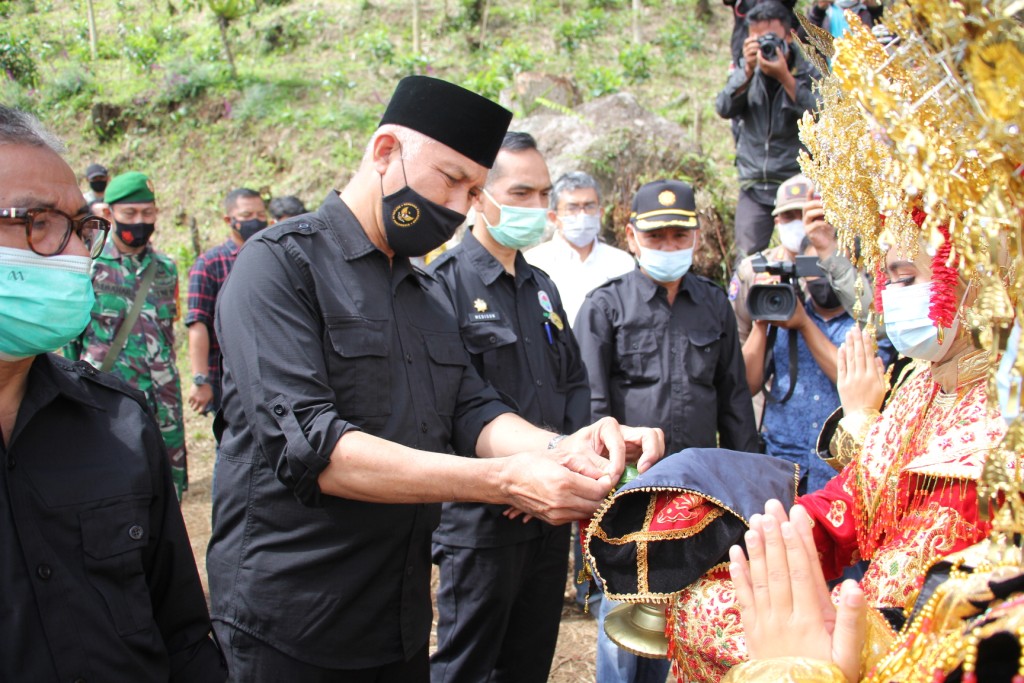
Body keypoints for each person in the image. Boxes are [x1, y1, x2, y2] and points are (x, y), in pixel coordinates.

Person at [206, 75, 665, 682]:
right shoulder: (279, 266)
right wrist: (503, 481)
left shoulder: (424, 292)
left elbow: (472, 410)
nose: (460, 206)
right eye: (451, 179)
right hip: (289, 616)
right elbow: (313, 448)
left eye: (475, 190)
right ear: (385, 151)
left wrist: (565, 447)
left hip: (394, 614)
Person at [0, 104, 226, 682]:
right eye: (36, 222)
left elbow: (178, 630)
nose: (77, 255)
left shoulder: (118, 429)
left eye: (80, 229)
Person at [574, 178, 759, 683]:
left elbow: (735, 400)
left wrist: (751, 485)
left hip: (697, 495)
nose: (669, 247)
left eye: (679, 236)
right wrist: (599, 486)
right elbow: (589, 404)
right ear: (632, 236)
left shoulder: (714, 304)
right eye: (656, 237)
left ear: (696, 237)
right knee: (621, 619)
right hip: (630, 491)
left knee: (682, 617)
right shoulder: (605, 306)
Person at [427, 131, 590, 682]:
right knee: (469, 664)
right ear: (478, 196)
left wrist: (559, 473)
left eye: (544, 195)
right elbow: (448, 407)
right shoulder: (440, 286)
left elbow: (573, 385)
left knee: (529, 660)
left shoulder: (542, 287)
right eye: (521, 193)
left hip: (549, 514)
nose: (537, 208)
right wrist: (516, 476)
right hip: (481, 518)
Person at [63, 170, 189, 501]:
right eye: (130, 213)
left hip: (163, 400)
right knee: (113, 488)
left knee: (165, 491)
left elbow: (168, 334)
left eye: (148, 213)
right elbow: (71, 340)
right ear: (109, 213)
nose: (140, 221)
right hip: (109, 396)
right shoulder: (88, 264)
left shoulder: (165, 268)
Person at [741, 235, 859, 494]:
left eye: (833, 263)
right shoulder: (783, 312)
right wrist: (761, 320)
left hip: (837, 472)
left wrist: (804, 325)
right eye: (814, 266)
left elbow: (851, 379)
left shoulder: (865, 325)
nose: (824, 275)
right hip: (782, 468)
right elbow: (746, 385)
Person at [715, 0, 821, 258]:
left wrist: (786, 78)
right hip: (755, 182)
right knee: (747, 259)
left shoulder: (809, 70)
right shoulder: (745, 71)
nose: (765, 46)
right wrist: (748, 71)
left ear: (789, 35)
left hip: (797, 181)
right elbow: (724, 107)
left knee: (809, 255)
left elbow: (822, 115)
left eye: (771, 38)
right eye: (756, 40)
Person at [186, 187, 268, 415]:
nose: (256, 221)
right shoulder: (210, 264)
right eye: (247, 216)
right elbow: (198, 322)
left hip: (271, 376)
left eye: (261, 215)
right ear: (228, 219)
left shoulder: (274, 257)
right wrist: (201, 379)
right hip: (226, 379)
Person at [524, 171, 636, 327]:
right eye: (572, 208)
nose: (582, 215)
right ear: (553, 217)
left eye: (589, 206)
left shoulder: (622, 264)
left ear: (600, 213)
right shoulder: (533, 263)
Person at [729, 173, 813, 344]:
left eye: (805, 215)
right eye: (789, 216)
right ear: (777, 222)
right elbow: (736, 340)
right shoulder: (752, 270)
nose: (798, 224)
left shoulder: (837, 268)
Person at [807, 0, 882, 40]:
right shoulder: (827, 11)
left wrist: (875, 10)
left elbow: (885, 37)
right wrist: (818, 10)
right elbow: (805, 38)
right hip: (833, 66)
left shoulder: (868, 10)